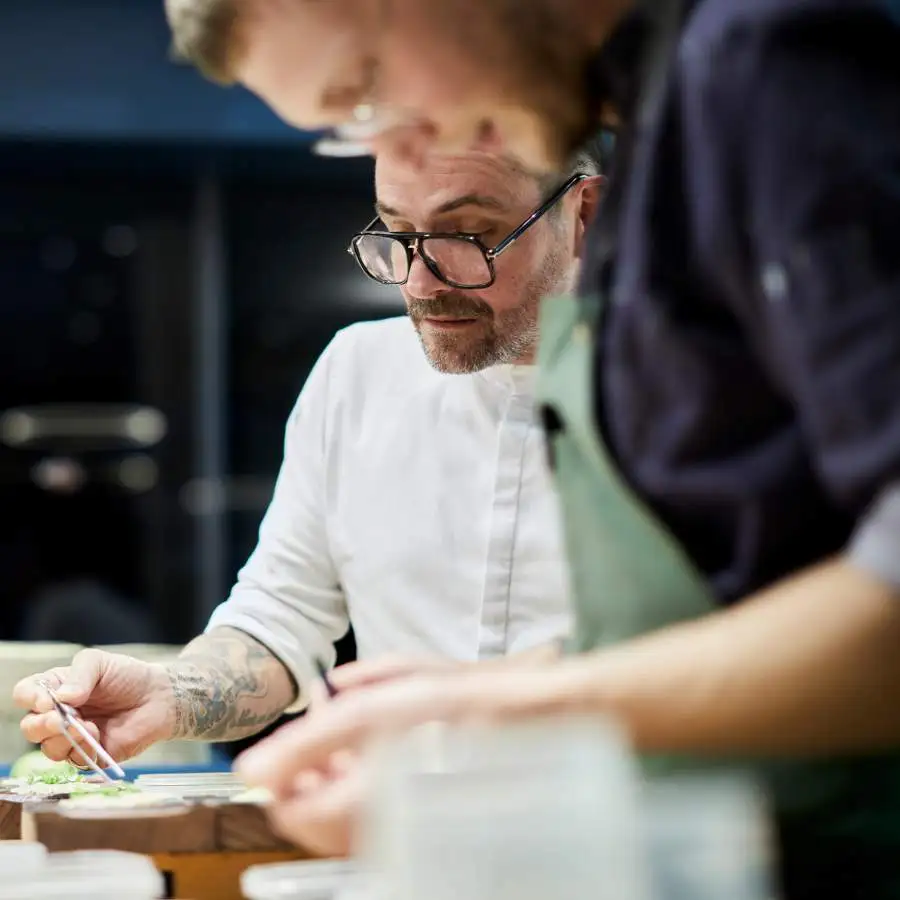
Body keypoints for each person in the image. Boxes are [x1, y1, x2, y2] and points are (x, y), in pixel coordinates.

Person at [165, 0, 900, 897]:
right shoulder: (656, 140)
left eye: (369, 91)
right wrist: (448, 721)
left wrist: (494, 710)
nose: (401, 151)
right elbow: (727, 604)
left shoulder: (756, 61)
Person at [13, 148, 603, 769]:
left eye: (471, 235)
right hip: (399, 835)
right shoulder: (358, 371)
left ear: (585, 213)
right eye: (399, 234)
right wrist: (168, 694)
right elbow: (282, 615)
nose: (420, 282)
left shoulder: (687, 390)